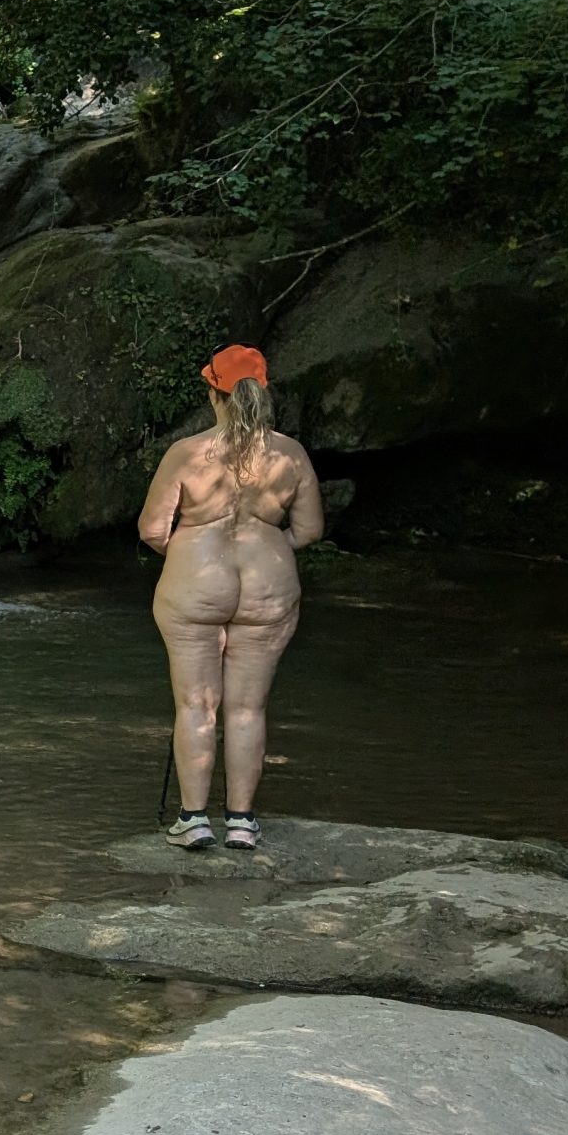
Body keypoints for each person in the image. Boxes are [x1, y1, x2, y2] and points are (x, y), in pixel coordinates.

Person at [136, 344, 325, 852]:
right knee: (247, 708)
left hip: (196, 587)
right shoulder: (290, 455)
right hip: (268, 590)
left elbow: (154, 529)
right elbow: (308, 531)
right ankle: (242, 823)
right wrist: (271, 547)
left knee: (195, 704)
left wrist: (189, 553)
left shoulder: (187, 453)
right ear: (263, 392)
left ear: (213, 392)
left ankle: (193, 821)